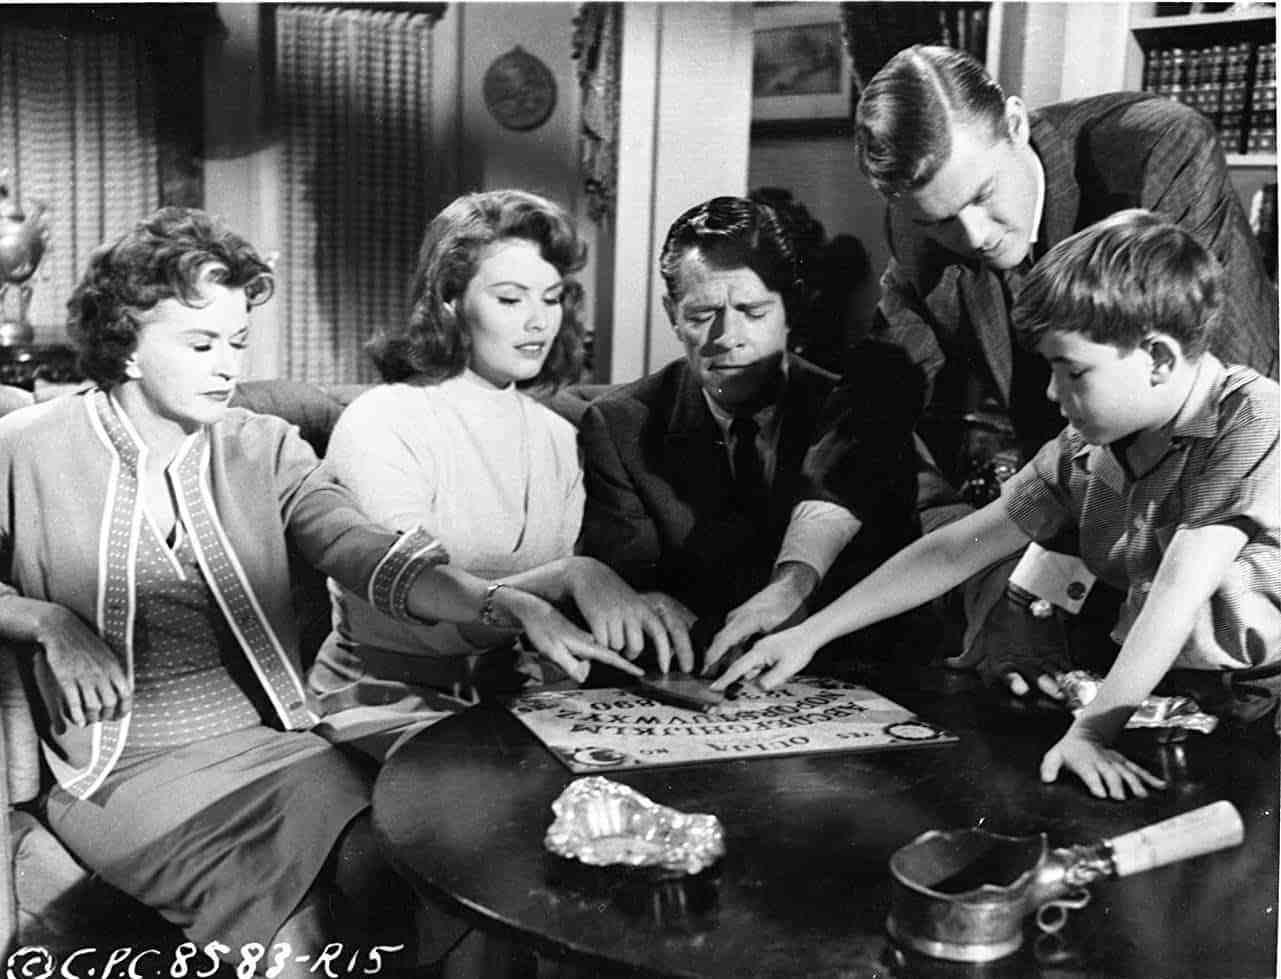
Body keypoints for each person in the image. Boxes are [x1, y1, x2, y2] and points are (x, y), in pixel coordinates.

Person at [0, 207, 631, 967]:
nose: (227, 366)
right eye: (200, 344)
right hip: (119, 773)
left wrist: (505, 602)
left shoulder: (260, 445)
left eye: (236, 342)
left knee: (437, 869)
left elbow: (362, 548)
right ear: (126, 345)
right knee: (300, 943)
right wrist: (45, 620)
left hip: (272, 749)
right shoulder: (27, 447)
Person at [714, 210, 1281, 800]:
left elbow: (1179, 587)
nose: (1051, 393)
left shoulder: (1255, 419)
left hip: (1263, 709)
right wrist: (812, 633)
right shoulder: (1086, 447)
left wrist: (1091, 732)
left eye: (1073, 371)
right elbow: (957, 548)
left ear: (1160, 359)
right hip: (1161, 697)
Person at [853, 44, 1280, 687]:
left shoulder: (1155, 152)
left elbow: (1210, 426)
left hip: (1235, 554)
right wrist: (1010, 589)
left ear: (1018, 124)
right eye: (939, 220)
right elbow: (899, 434)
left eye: (985, 194)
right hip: (1100, 551)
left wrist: (1037, 592)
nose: (972, 236)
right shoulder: (919, 234)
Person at [309, 190, 676, 758]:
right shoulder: (382, 420)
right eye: (510, 299)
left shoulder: (559, 435)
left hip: (516, 702)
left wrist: (645, 603)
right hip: (385, 702)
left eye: (552, 299)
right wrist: (568, 575)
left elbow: (571, 607)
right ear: (450, 300)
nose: (538, 322)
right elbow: (413, 596)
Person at [579, 196, 922, 672]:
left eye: (753, 311)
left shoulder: (852, 410)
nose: (727, 337)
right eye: (702, 316)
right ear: (671, 313)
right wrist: (645, 602)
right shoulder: (619, 425)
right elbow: (630, 590)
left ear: (790, 311)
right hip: (688, 680)